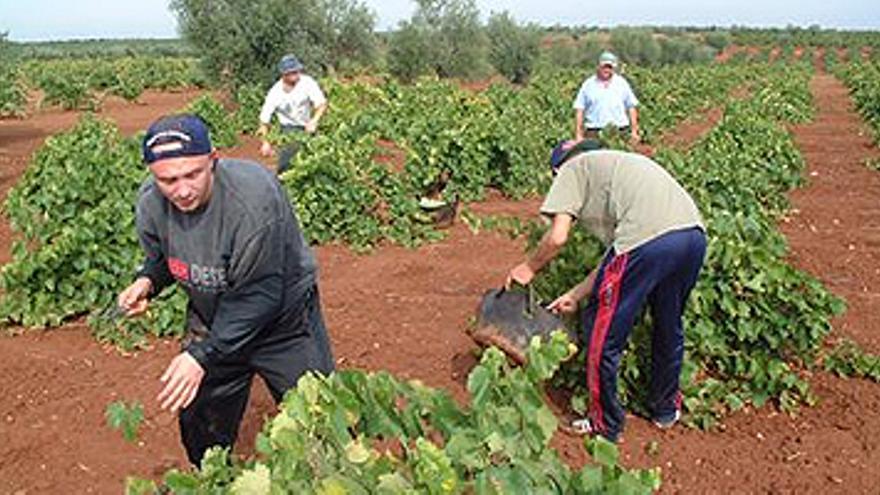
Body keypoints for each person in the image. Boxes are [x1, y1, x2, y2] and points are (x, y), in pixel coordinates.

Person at [118, 114, 335, 465]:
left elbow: (261, 294)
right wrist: (148, 281)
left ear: (213, 160)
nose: (182, 190)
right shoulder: (151, 203)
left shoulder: (253, 203)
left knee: (320, 418)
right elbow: (164, 257)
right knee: (202, 424)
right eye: (168, 180)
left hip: (283, 321)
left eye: (193, 174)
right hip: (213, 316)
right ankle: (212, 479)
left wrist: (202, 355)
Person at [505, 144, 706, 442]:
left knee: (601, 331)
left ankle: (606, 424)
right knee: (668, 323)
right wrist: (576, 293)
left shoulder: (571, 169)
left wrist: (529, 267)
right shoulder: (616, 167)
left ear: (557, 171)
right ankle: (665, 409)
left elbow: (558, 237)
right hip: (692, 235)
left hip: (648, 241)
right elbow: (617, 258)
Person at [258, 54, 328, 174]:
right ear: (284, 74)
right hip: (289, 129)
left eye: (297, 71)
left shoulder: (307, 82)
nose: (297, 74)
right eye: (293, 72)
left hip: (308, 127)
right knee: (286, 165)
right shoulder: (275, 93)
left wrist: (314, 120)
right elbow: (264, 121)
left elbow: (321, 104)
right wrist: (265, 142)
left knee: (315, 163)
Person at [572, 51, 641, 144]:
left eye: (610, 67)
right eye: (604, 67)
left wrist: (634, 131)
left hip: (619, 131)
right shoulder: (588, 84)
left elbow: (631, 107)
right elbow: (579, 109)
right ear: (599, 66)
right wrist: (578, 134)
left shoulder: (622, 83)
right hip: (594, 131)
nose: (607, 70)